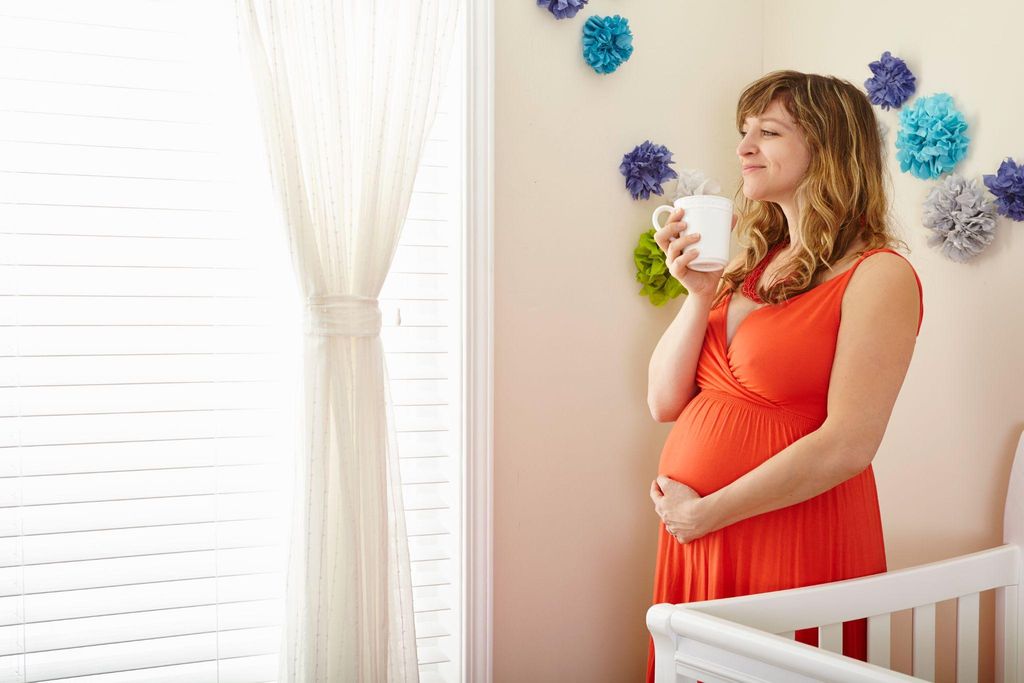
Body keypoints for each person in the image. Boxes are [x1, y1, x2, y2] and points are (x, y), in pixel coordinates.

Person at [644, 70, 924, 681]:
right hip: (700, 531)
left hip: (788, 530)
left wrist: (709, 511)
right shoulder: (749, 263)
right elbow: (664, 400)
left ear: (829, 150)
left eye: (768, 132)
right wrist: (696, 295)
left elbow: (849, 443)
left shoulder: (879, 276)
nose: (744, 148)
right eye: (744, 132)